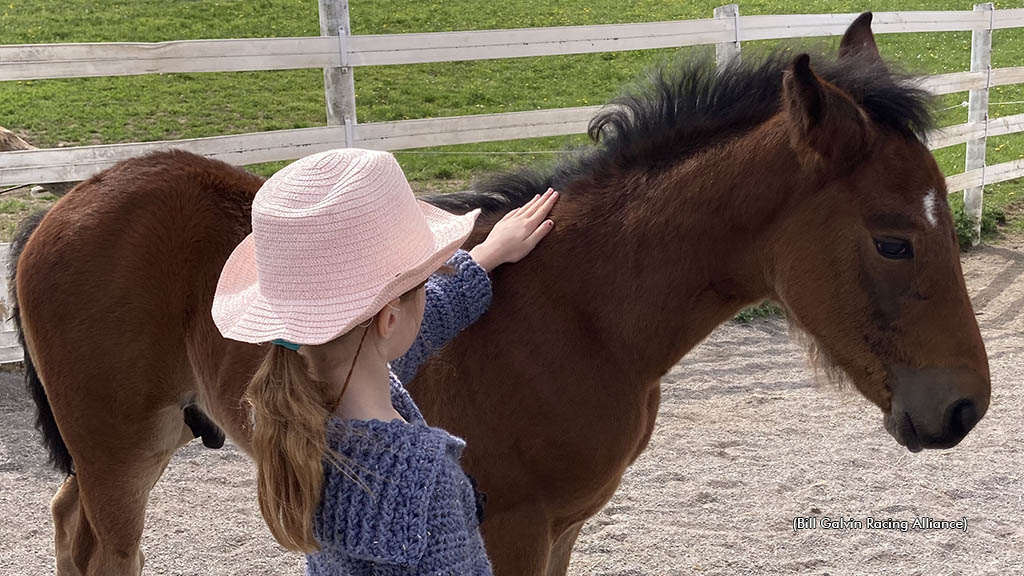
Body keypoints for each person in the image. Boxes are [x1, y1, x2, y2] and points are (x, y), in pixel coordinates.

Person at [211, 148, 558, 574]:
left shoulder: (295, 416)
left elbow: (409, 329)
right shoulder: (423, 478)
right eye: (423, 283)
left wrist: (486, 256)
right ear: (389, 320)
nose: (431, 289)